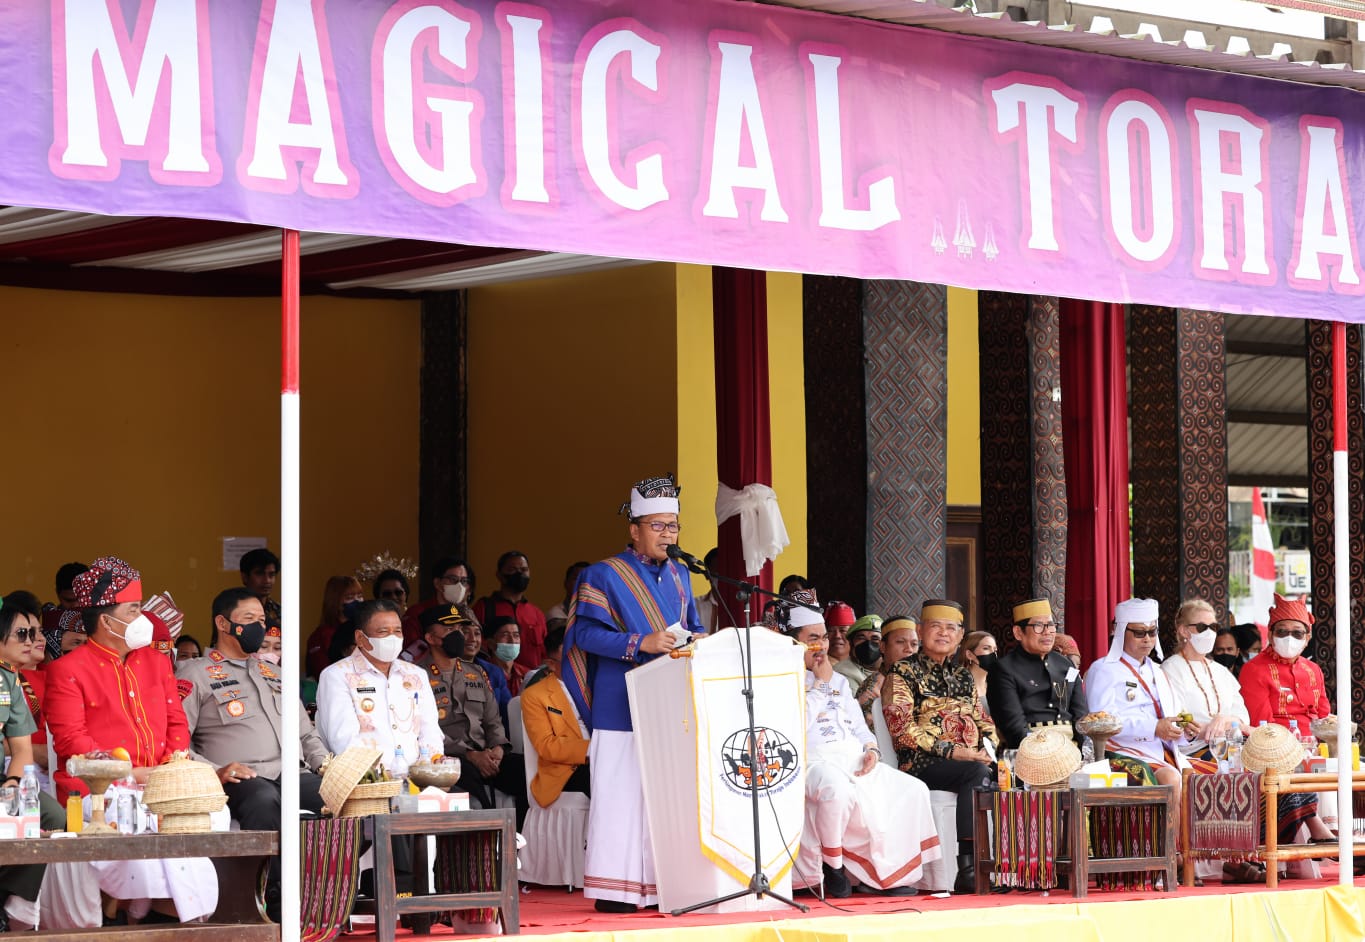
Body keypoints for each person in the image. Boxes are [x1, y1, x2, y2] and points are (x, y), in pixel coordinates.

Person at [43, 556, 218, 924]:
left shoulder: (155, 662)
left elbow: (176, 722)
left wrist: (171, 766)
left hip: (160, 786)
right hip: (97, 793)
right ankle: (138, 913)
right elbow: (73, 744)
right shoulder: (66, 671)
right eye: (134, 609)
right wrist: (136, 775)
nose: (142, 617)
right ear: (107, 620)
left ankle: (161, 915)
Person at [562, 474, 700, 913]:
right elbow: (582, 634)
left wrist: (694, 641)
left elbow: (692, 624)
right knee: (620, 795)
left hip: (668, 698)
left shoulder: (681, 574)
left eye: (673, 526)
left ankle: (661, 885)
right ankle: (614, 890)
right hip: (619, 700)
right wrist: (641, 642)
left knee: (663, 794)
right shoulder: (601, 574)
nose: (667, 534)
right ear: (634, 529)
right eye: (658, 526)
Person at [176, 588, 327, 918]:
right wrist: (213, 770)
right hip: (237, 776)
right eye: (249, 620)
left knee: (337, 797)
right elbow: (176, 743)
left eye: (262, 620)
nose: (258, 627)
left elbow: (306, 733)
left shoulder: (276, 673)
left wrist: (325, 764)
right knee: (262, 800)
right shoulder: (194, 673)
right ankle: (273, 900)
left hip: (291, 773)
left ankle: (325, 893)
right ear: (223, 623)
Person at [789, 609, 940, 897]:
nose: (821, 645)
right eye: (813, 639)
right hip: (812, 761)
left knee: (914, 789)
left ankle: (883, 877)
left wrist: (871, 749)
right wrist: (820, 684)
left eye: (823, 637)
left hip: (852, 757)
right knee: (837, 791)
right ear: (794, 643)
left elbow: (858, 725)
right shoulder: (784, 679)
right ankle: (833, 868)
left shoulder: (839, 682)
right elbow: (794, 725)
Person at [881, 600, 996, 894]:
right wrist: (955, 752)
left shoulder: (963, 676)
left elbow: (984, 721)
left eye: (951, 628)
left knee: (1003, 773)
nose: (943, 634)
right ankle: (969, 869)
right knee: (975, 773)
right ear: (920, 632)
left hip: (969, 760)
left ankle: (1013, 867)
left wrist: (990, 748)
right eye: (935, 627)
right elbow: (902, 729)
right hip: (920, 763)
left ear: (960, 636)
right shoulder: (902, 673)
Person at [413, 604, 524, 822]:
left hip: (487, 754)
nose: (458, 634)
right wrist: (470, 754)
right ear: (431, 638)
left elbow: (493, 720)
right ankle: (485, 848)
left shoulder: (476, 673)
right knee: (472, 784)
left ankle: (519, 840)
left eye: (459, 628)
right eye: (449, 629)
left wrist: (498, 749)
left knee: (526, 773)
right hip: (449, 757)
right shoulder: (416, 676)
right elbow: (423, 730)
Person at [0, 600, 65, 931]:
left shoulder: (10, 681)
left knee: (54, 818)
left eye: (34, 633)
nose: (30, 641)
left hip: (2, 780)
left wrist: (11, 785)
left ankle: (6, 898)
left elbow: (22, 749)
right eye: (22, 634)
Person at [315, 599, 442, 769]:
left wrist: (429, 769)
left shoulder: (416, 674)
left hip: (419, 778)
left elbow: (430, 729)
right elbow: (343, 740)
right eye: (383, 632)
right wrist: (379, 776)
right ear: (360, 638)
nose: (393, 638)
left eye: (397, 631)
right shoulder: (336, 676)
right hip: (369, 782)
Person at [1084, 598, 1187, 795]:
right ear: (1121, 631)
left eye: (1152, 632)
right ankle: (1172, 828)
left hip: (1162, 751)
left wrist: (1184, 730)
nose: (1147, 639)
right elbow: (1100, 724)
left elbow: (1172, 718)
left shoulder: (1159, 671)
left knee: (1211, 776)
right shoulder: (1103, 669)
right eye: (1139, 633)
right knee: (1171, 779)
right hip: (1120, 750)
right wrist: (1154, 728)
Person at [987, 598, 1087, 750]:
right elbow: (1014, 727)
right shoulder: (1004, 669)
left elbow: (1081, 715)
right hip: (1030, 752)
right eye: (1038, 626)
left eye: (1051, 625)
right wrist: (1042, 752)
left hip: (1071, 750)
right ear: (1018, 633)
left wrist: (1083, 750)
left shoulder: (1065, 664)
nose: (1047, 632)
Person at [1161, 599, 1251, 758]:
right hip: (1193, 752)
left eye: (1213, 627)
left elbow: (1243, 717)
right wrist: (1212, 728)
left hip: (1232, 745)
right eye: (1202, 627)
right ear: (1183, 631)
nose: (1209, 633)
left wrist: (1224, 720)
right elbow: (1180, 719)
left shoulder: (1220, 671)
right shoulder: (1171, 669)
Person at [1238, 594, 1330, 733]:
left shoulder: (1313, 669)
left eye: (1297, 633)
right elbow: (1262, 725)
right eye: (1281, 631)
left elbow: (1324, 716)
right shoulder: (1254, 669)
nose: (1289, 638)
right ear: (1270, 635)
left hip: (1316, 746)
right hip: (1276, 748)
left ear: (1307, 638)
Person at [520, 627, 590, 807]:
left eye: (581, 656)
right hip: (566, 770)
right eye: (570, 660)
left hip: (607, 758)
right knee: (603, 778)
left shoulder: (598, 685)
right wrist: (594, 749)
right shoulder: (535, 695)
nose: (579, 664)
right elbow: (546, 745)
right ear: (551, 664)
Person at [473, 551, 549, 671]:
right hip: (493, 679)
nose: (519, 574)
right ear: (499, 575)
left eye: (524, 570)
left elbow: (544, 653)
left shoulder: (536, 613)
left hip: (529, 681)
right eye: (512, 569)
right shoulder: (484, 607)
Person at [852, 615, 920, 726]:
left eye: (914, 644)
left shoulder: (925, 679)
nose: (909, 649)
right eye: (900, 642)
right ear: (883, 647)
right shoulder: (873, 689)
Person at [400, 556, 473, 650]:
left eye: (464, 581)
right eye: (453, 579)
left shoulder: (466, 614)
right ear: (437, 583)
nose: (459, 585)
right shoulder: (417, 613)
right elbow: (410, 652)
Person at [305, 575, 365, 678]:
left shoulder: (367, 629)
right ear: (335, 602)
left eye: (359, 596)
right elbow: (323, 672)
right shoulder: (320, 636)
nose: (357, 601)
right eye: (349, 598)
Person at [40, 561, 88, 658]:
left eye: (81, 599)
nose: (75, 605)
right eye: (68, 600)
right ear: (58, 594)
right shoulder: (51, 621)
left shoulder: (105, 619)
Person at [481, 615, 530, 697]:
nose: (512, 641)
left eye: (516, 635)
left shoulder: (526, 674)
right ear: (490, 643)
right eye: (505, 635)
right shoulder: (481, 673)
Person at [834, 614, 883, 686]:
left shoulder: (892, 668)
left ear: (884, 645)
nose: (868, 644)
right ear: (851, 644)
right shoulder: (842, 673)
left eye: (875, 639)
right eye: (861, 638)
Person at [239, 548, 282, 625]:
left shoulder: (278, 610)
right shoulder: (234, 610)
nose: (267, 580)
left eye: (271, 575)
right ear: (245, 577)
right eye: (259, 574)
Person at [960, 629, 997, 717]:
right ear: (969, 655)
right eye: (986, 648)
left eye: (995, 650)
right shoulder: (959, 688)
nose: (993, 654)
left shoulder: (998, 686)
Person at [545, 561, 590, 626]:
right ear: (566, 583)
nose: (582, 584)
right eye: (576, 579)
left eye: (587, 580)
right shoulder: (555, 616)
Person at [691, 548, 723, 635]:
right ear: (706, 575)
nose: (721, 578)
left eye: (724, 573)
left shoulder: (741, 608)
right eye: (716, 573)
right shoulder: (694, 605)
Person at [825, 601, 855, 665]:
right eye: (831, 631)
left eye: (843, 630)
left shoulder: (863, 666)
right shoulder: (815, 665)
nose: (837, 636)